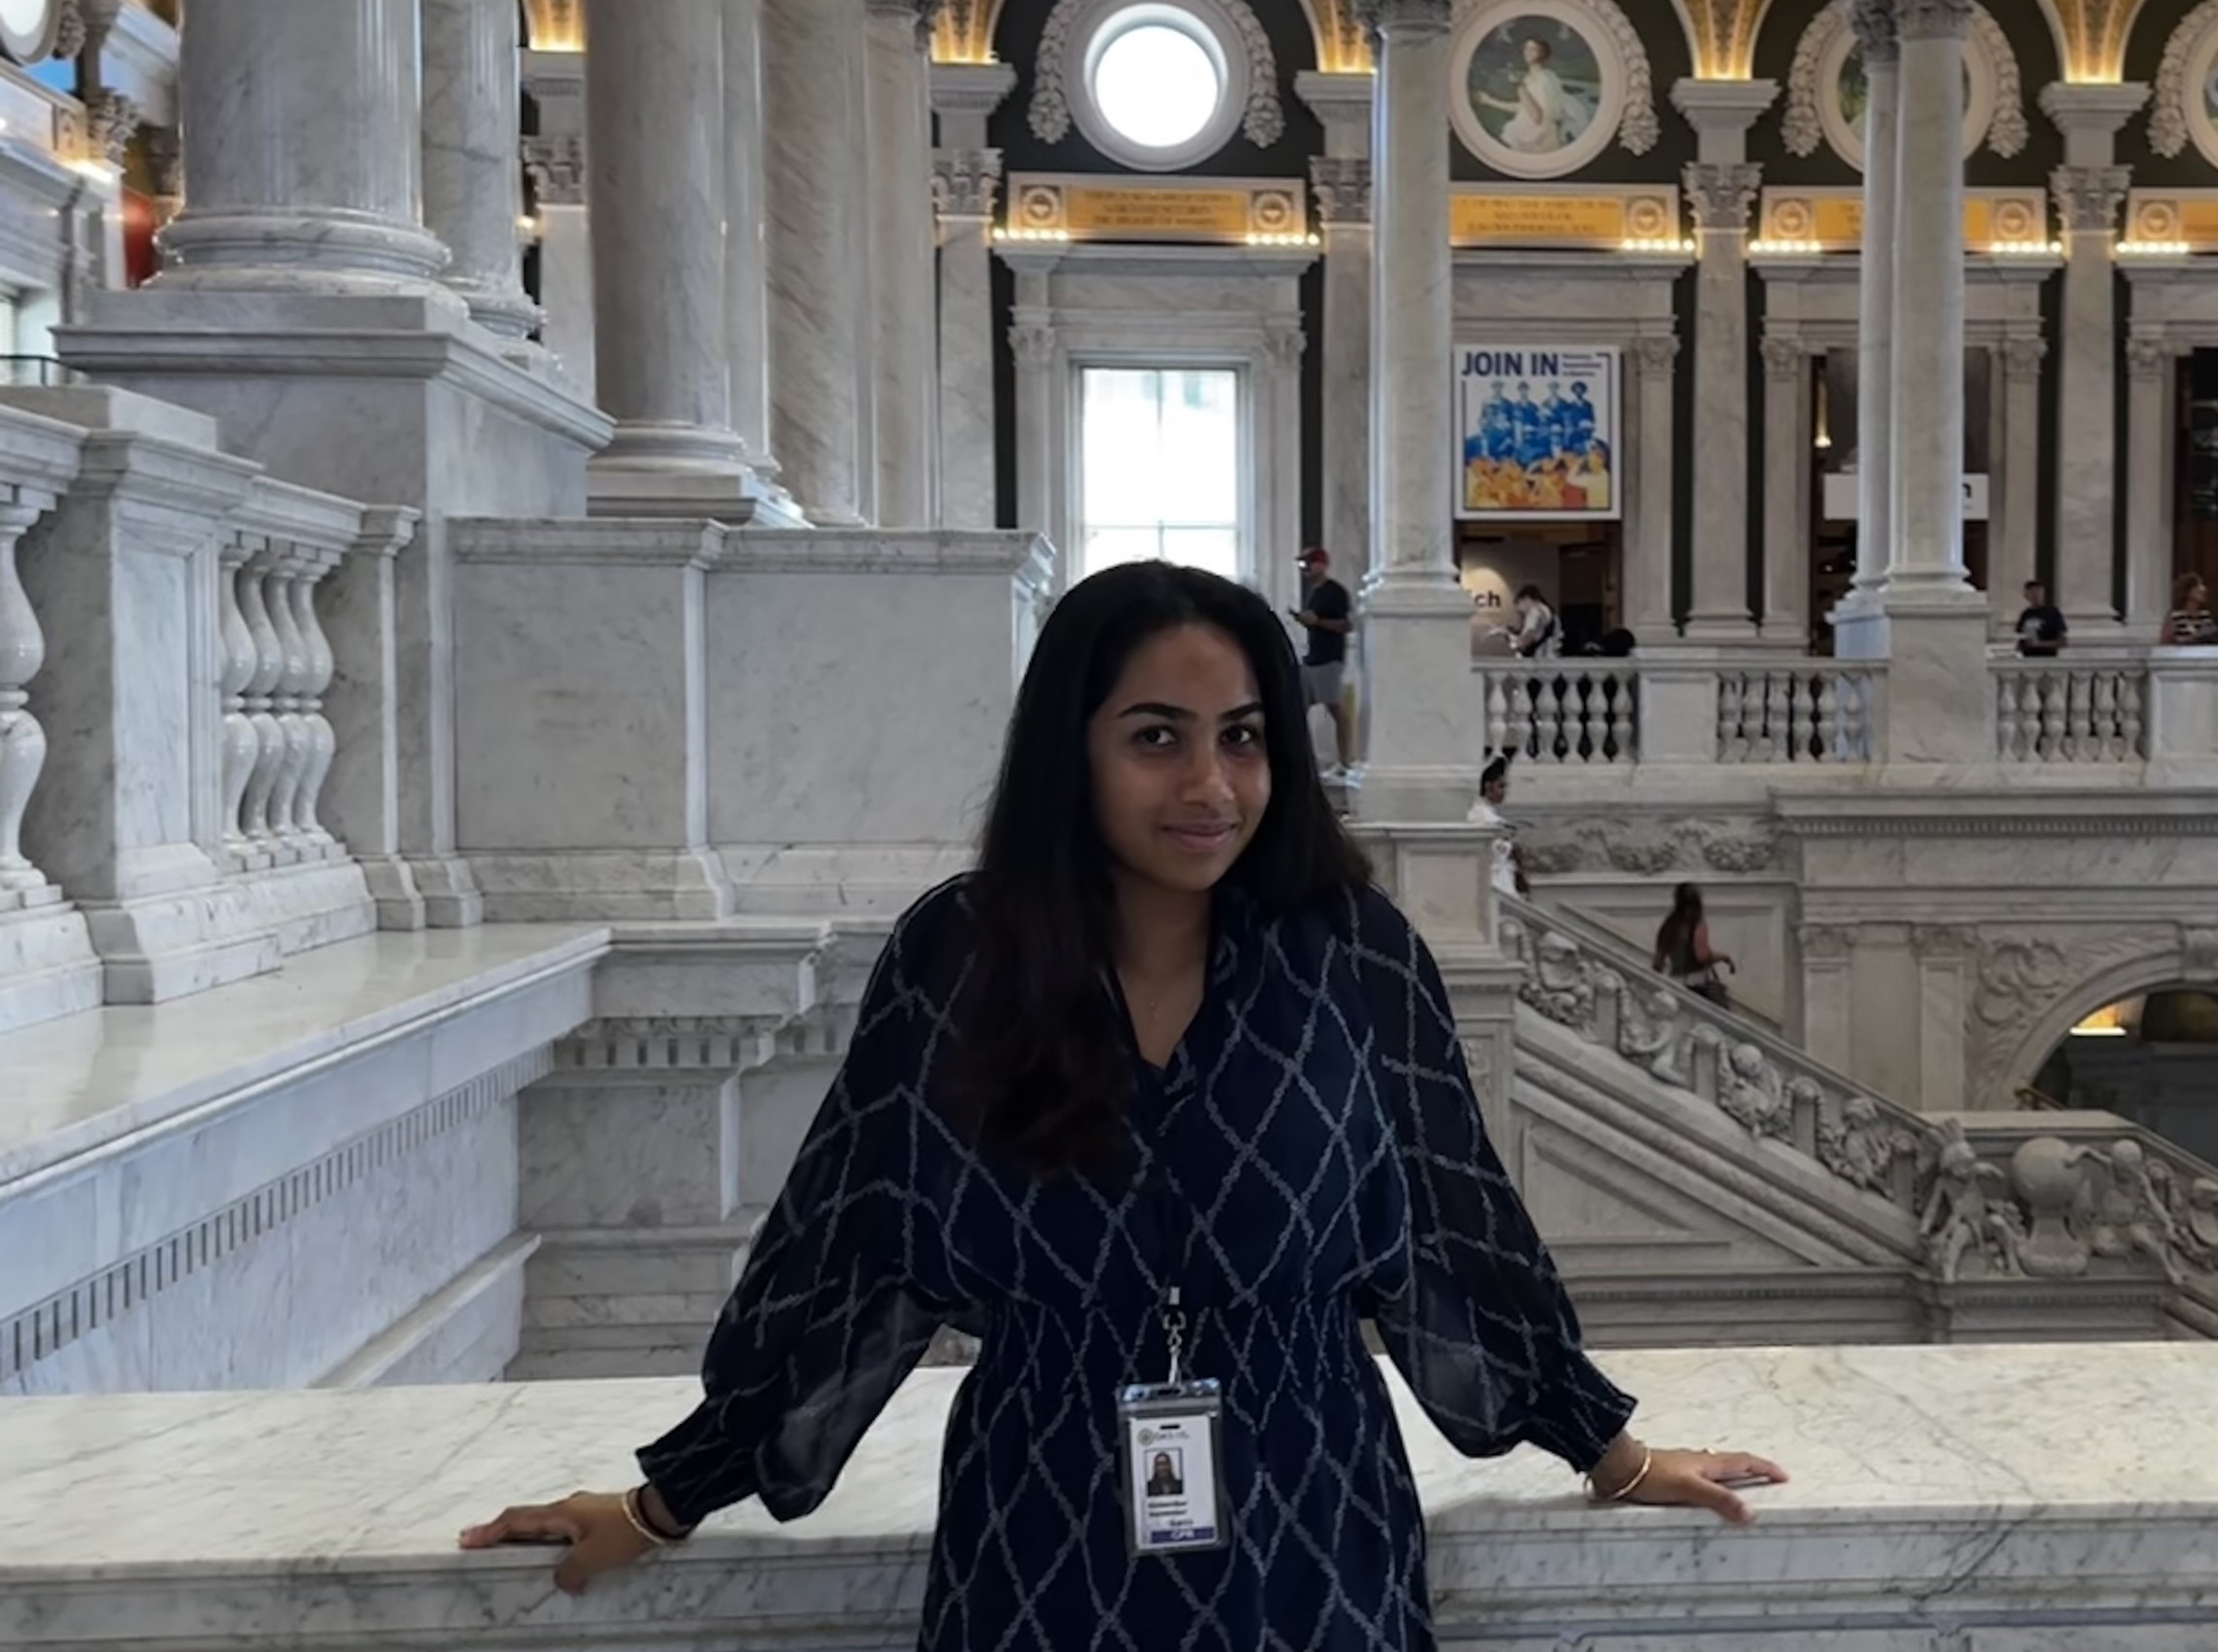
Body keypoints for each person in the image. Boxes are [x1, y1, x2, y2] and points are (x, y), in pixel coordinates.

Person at [456, 562, 1783, 1648]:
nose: (1210, 788)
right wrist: (666, 1495)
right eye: (1157, 739)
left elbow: (1456, 1227)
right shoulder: (958, 962)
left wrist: (1604, 1449)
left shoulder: (1354, 960)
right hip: (1043, 1539)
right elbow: (848, 1245)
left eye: (1244, 739)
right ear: (1071, 752)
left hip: (1311, 1533)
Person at [1292, 547, 1356, 772]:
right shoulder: (1314, 592)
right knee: (1297, 707)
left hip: (1329, 658)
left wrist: (1317, 621)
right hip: (1312, 658)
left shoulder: (1335, 592)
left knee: (1336, 708)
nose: (1305, 569)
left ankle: (1345, 760)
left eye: (1308, 563)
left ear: (1322, 564)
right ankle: (1303, 760)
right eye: (1303, 565)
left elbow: (1346, 625)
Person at [1651, 882, 1734, 1010]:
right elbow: (1702, 956)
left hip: (1675, 982)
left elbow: (1658, 961)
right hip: (1696, 984)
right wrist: (1723, 957)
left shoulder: (1669, 924)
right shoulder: (1696, 923)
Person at [1468, 755, 1529, 899]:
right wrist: (1512, 848)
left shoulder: (1491, 814)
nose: (1504, 792)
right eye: (1500, 786)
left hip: (1504, 877)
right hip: (1492, 879)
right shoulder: (1479, 815)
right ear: (1488, 787)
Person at [2159, 572, 2218, 647]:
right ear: (2187, 591)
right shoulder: (2175, 615)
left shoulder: (2205, 615)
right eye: (2197, 586)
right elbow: (2165, 642)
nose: (2203, 589)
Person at [1501, 583, 1559, 659]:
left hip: (1537, 661)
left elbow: (1524, 642)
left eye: (1519, 605)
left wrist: (1508, 635)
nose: (1519, 611)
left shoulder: (1534, 613)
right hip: (1550, 658)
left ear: (1526, 599)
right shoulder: (1550, 613)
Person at [2013, 580, 2067, 658]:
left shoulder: (2052, 613)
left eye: (2038, 593)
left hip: (2047, 658)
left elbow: (2062, 642)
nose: (2035, 596)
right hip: (2027, 659)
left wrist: (2039, 644)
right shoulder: (2025, 614)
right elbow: (2019, 636)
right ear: (2026, 596)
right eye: (2032, 593)